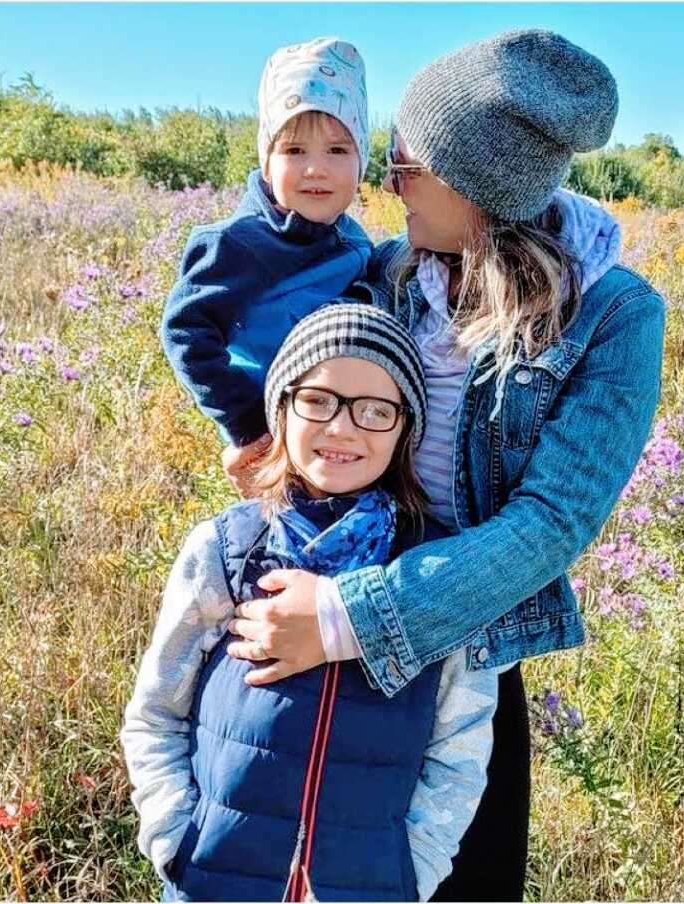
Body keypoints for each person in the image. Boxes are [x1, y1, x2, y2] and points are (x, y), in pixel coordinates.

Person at [222, 29, 667, 902]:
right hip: (315, 606)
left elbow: (551, 525)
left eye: (406, 164)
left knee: (456, 875)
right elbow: (257, 289)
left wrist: (349, 616)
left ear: (478, 179)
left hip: (464, 653)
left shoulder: (614, 314)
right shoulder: (384, 275)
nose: (388, 186)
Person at [122, 304, 500, 902]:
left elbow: (462, 739)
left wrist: (417, 865)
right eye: (318, 400)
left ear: (407, 428)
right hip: (215, 879)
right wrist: (175, 838)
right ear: (281, 406)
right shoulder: (229, 549)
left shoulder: (436, 572)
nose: (343, 429)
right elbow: (157, 708)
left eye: (376, 410)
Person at [160, 36, 372, 466]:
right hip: (275, 447)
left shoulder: (357, 244)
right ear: (267, 159)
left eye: (337, 149)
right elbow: (186, 331)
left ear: (361, 160)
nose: (316, 168)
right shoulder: (236, 244)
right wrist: (250, 426)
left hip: (345, 441)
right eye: (294, 150)